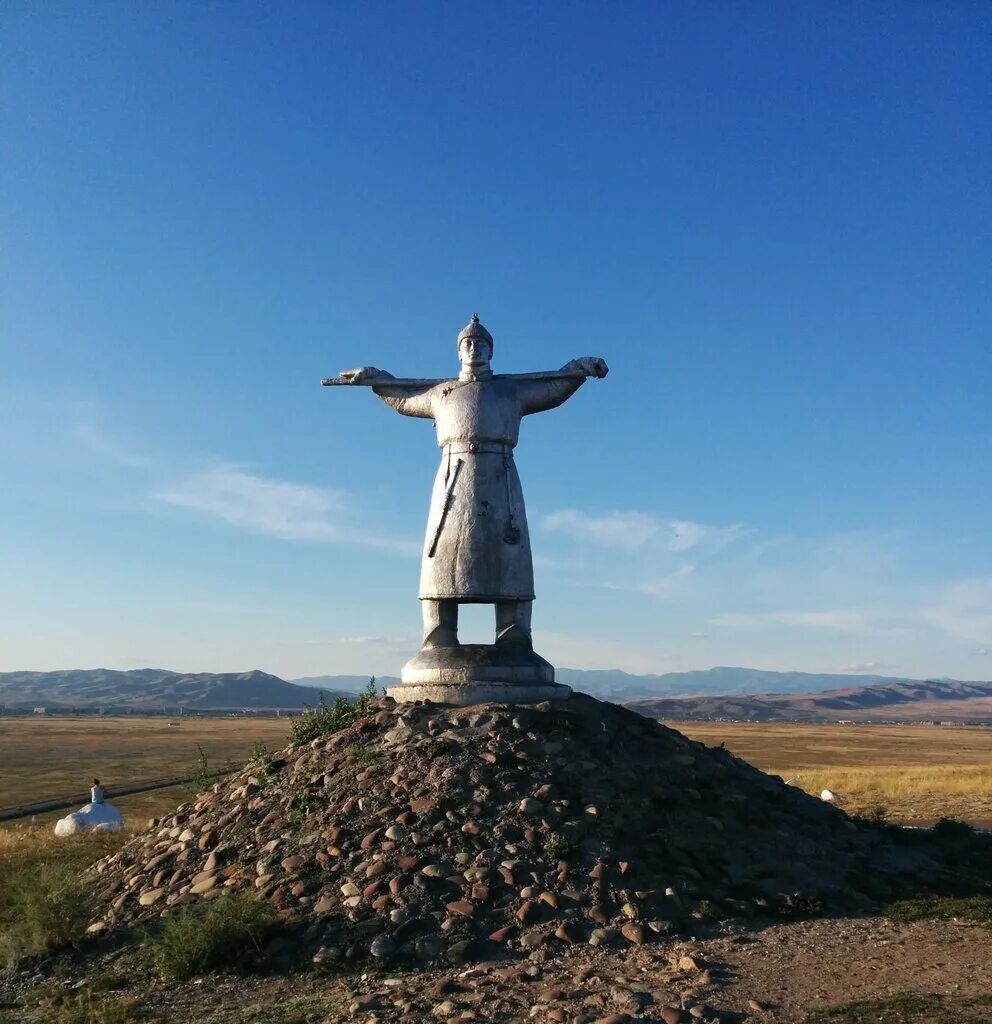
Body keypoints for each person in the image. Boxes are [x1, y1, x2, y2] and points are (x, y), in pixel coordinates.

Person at [339, 314, 607, 651]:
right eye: (467, 343)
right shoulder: (441, 393)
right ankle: (438, 636)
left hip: (500, 478)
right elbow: (403, 397)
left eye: (481, 343)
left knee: (510, 553)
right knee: (443, 554)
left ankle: (514, 637)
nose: (474, 347)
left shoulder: (511, 391)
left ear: (491, 350)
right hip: (454, 478)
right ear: (458, 352)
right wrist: (376, 379)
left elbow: (553, 388)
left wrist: (579, 367)